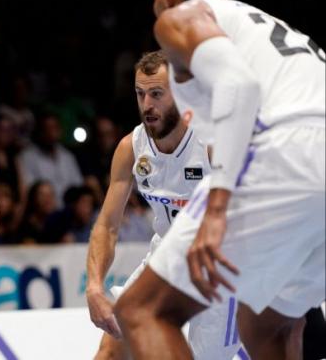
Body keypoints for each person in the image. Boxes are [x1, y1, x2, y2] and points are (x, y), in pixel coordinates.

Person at [114, 0, 325, 360]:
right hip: (310, 160)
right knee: (268, 325)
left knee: (142, 310)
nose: (152, 3)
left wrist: (217, 207)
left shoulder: (182, 16)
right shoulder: (260, 25)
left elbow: (239, 88)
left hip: (286, 148)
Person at [87, 51, 241, 360]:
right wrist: (94, 286)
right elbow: (107, 224)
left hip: (221, 267)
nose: (147, 105)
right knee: (111, 348)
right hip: (167, 257)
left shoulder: (211, 142)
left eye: (157, 94)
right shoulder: (131, 147)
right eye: (140, 94)